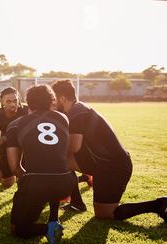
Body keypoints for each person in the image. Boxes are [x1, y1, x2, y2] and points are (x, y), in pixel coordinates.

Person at [51, 79, 166, 221]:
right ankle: (76, 203)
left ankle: (158, 204)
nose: (53, 104)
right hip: (102, 165)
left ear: (62, 98)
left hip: (114, 167)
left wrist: (48, 149)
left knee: (106, 214)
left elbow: (74, 147)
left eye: (54, 100)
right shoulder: (77, 109)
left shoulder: (77, 112)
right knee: (61, 160)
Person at [6, 84, 76, 244]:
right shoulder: (63, 118)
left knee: (17, 228)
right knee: (52, 170)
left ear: (28, 103)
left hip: (36, 183)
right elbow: (65, 153)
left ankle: (48, 229)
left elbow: (14, 166)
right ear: (52, 100)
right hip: (66, 183)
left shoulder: (15, 125)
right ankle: (54, 218)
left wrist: (28, 179)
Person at [0, 87, 28, 189]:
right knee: (7, 183)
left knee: (24, 179)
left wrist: (7, 137)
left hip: (26, 148)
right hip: (7, 150)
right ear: (2, 102)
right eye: (8, 101)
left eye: (15, 100)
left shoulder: (26, 111)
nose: (13, 104)